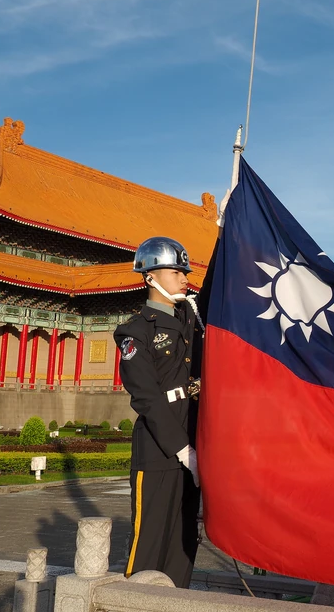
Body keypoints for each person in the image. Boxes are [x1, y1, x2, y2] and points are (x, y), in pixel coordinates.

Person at [114, 236, 204, 588]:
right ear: (150, 276)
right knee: (149, 541)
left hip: (195, 444)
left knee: (184, 541)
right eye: (176, 270)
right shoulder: (136, 331)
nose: (185, 277)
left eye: (185, 270)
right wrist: (182, 449)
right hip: (160, 449)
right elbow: (147, 396)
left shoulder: (193, 321)